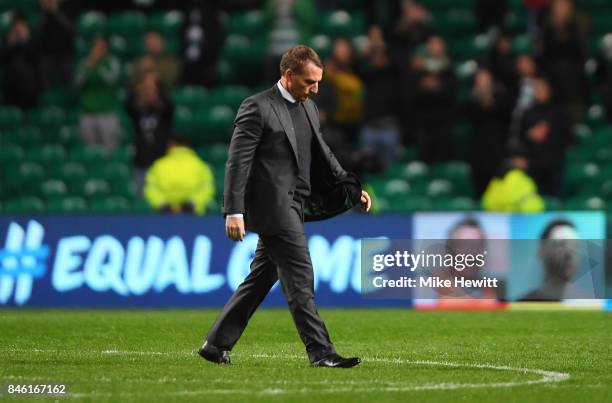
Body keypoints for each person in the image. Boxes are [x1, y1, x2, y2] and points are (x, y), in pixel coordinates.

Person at [199, 45, 372, 368]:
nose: (315, 89)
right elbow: (237, 162)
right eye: (309, 82)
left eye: (317, 82)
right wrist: (233, 210)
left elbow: (321, 151)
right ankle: (321, 352)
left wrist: (349, 186)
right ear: (288, 75)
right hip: (272, 207)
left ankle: (216, 342)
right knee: (300, 274)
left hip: (296, 204)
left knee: (262, 277)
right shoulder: (257, 107)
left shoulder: (308, 107)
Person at [512, 77, 572, 196]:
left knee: (555, 199)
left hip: (555, 165)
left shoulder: (559, 112)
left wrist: (548, 133)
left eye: (542, 88)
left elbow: (568, 137)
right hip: (533, 166)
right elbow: (519, 137)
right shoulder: (528, 112)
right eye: (536, 88)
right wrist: (529, 135)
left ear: (549, 89)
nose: (539, 91)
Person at [125, 71, 174, 195]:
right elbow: (127, 104)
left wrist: (156, 87)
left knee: (162, 198)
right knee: (141, 197)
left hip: (161, 161)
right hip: (141, 161)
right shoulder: (138, 111)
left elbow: (169, 104)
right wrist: (140, 88)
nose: (150, 95)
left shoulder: (163, 112)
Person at [144, 137, 214, 215]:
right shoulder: (200, 164)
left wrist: (162, 204)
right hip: (193, 215)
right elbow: (206, 188)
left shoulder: (159, 165)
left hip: (164, 215)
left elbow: (151, 187)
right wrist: (193, 203)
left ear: (171, 145)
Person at [74, 36, 121, 150]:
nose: (98, 50)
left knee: (110, 149)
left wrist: (97, 65)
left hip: (107, 111)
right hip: (88, 112)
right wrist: (90, 65)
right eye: (96, 47)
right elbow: (78, 82)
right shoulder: (84, 63)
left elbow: (111, 79)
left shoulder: (111, 62)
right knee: (90, 150)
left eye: (101, 47)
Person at [0, 14, 43, 109]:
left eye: (22, 26)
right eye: (16, 27)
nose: (19, 30)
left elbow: (36, 59)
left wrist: (26, 41)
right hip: (10, 91)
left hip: (29, 92)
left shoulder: (32, 42)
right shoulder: (5, 41)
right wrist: (11, 42)